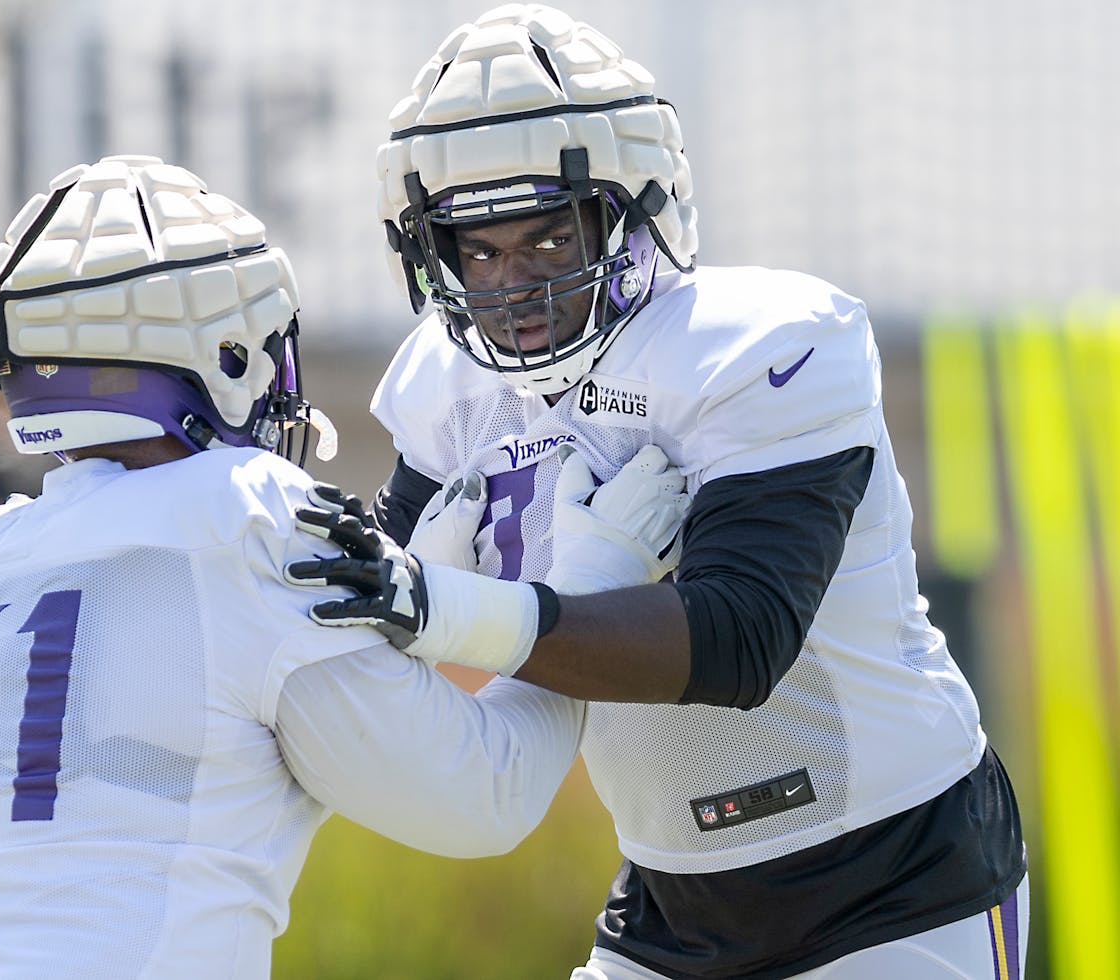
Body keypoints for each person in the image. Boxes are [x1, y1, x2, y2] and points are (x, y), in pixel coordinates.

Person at [285, 6, 1029, 978]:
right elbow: (382, 618)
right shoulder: (448, 384)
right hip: (669, 892)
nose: (513, 286)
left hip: (888, 876)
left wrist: (448, 605)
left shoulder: (758, 346)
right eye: (479, 248)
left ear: (633, 213)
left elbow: (738, 637)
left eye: (549, 239)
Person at [0, 154, 689, 979]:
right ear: (226, 352)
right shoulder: (244, 515)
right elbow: (485, 793)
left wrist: (414, 609)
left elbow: (184, 710)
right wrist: (588, 588)